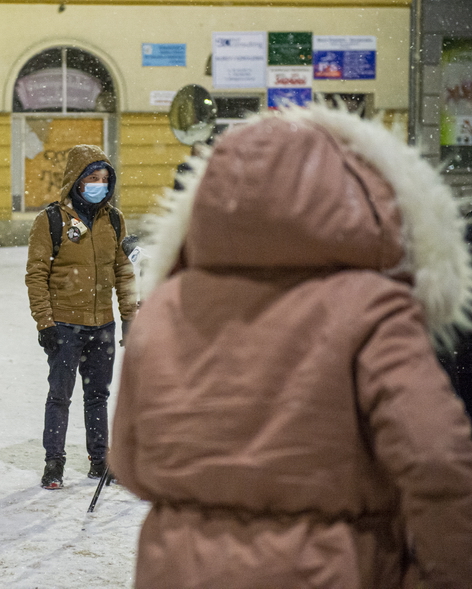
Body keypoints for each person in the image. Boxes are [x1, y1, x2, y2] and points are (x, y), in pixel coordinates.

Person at [110, 107, 472, 588]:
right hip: (330, 567)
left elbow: (130, 461)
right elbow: (436, 458)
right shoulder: (372, 309)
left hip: (179, 568)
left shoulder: (164, 306)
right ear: (361, 196)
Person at [25, 144, 137, 490]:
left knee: (98, 396)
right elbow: (36, 274)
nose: (99, 184)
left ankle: (100, 460)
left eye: (104, 178)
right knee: (60, 396)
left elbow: (123, 273)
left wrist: (129, 317)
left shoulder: (114, 220)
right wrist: (45, 322)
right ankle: (54, 463)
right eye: (92, 177)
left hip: (102, 323)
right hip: (65, 325)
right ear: (77, 180)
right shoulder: (51, 220)